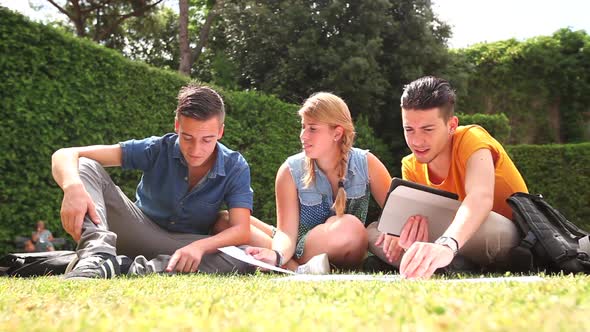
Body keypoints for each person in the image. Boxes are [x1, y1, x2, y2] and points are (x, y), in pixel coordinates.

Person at [51, 84, 256, 279]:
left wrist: (199, 247)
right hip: (136, 229)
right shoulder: (156, 148)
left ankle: (126, 267)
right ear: (177, 125)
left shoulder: (235, 166)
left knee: (241, 258)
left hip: (182, 245)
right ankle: (96, 255)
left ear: (220, 132)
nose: (195, 150)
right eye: (187, 137)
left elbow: (241, 229)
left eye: (207, 140)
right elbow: (67, 154)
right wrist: (72, 188)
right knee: (86, 165)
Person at [367, 76, 528, 279]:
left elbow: (480, 198)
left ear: (451, 125)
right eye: (409, 129)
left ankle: (443, 259)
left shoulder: (472, 139)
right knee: (375, 232)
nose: (417, 141)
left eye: (428, 129)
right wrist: (404, 235)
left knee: (486, 228)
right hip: (452, 240)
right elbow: (421, 221)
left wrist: (446, 243)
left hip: (501, 235)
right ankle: (441, 263)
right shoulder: (410, 164)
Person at [241, 92, 392, 273]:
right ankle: (296, 266)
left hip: (350, 247)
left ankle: (295, 268)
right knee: (229, 219)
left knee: (349, 226)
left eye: (312, 128)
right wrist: (278, 254)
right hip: (301, 248)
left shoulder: (366, 163)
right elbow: (287, 232)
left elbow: (396, 215)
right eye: (303, 127)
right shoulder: (289, 170)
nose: (303, 136)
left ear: (337, 133)